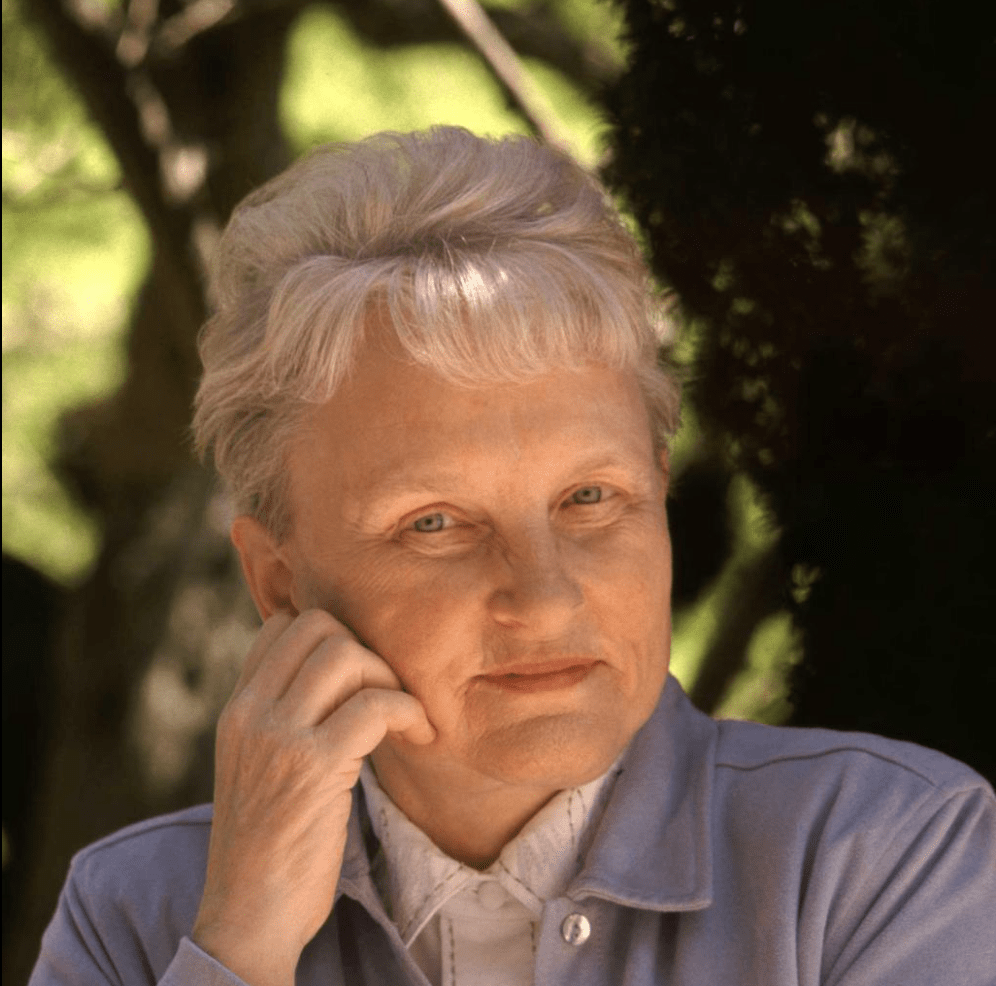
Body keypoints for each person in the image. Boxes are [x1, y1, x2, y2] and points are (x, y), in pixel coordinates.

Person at [30, 127, 996, 986]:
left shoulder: (885, 854)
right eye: (435, 524)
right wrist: (238, 950)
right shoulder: (133, 915)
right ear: (278, 584)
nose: (543, 599)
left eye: (590, 499)